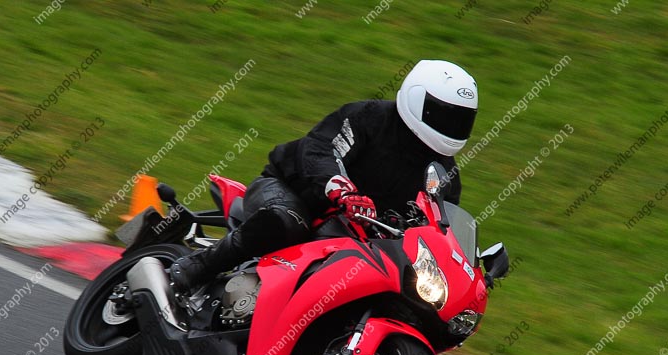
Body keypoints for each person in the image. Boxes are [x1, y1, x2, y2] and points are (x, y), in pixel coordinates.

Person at [170, 59, 478, 293]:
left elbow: (441, 226)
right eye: (442, 115)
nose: (450, 126)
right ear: (415, 98)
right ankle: (198, 266)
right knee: (286, 222)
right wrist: (341, 190)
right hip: (293, 191)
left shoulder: (443, 174)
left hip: (357, 236)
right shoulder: (369, 117)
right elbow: (320, 150)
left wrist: (468, 263)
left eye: (459, 120)